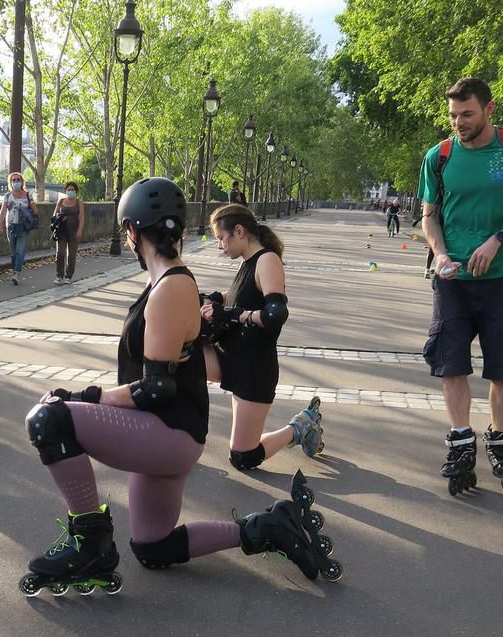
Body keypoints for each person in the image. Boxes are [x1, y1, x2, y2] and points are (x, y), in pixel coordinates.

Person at [19, 177, 341, 596]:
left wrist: (82, 397)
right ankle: (268, 528)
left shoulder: (171, 286)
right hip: (166, 433)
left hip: (166, 431)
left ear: (132, 231)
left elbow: (156, 389)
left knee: (49, 421)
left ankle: (90, 543)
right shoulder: (170, 283)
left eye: (126, 233)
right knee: (153, 547)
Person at [419, 77, 503, 494]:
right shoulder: (438, 156)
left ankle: (499, 434)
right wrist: (439, 254)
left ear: (489, 109)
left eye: (468, 114)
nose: (459, 122)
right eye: (454, 115)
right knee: (450, 360)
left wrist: (498, 240)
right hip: (452, 279)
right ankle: (460, 438)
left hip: (502, 277)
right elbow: (429, 215)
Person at [200, 204, 323, 472]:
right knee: (180, 355)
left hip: (254, 369)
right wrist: (214, 299)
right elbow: (240, 297)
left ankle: (300, 426)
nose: (220, 246)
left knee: (243, 457)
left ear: (239, 231)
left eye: (221, 238)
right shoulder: (248, 263)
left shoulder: (267, 260)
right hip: (230, 355)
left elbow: (274, 314)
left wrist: (231, 313)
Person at [0, 172, 35, 285]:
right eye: (14, 180)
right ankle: (15, 271)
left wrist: (26, 211)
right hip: (11, 226)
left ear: (22, 182)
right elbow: (3, 211)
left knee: (20, 250)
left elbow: (35, 210)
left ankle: (17, 273)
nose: (16, 182)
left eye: (18, 180)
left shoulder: (27, 195)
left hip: (23, 227)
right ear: (11, 183)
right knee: (13, 252)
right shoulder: (8, 196)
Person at [51, 181, 85, 285]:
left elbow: (82, 217)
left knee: (71, 254)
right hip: (62, 230)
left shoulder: (79, 203)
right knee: (60, 253)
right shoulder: (61, 201)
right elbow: (54, 214)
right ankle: (59, 275)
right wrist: (60, 217)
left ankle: (68, 276)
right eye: (68, 190)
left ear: (76, 191)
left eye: (72, 190)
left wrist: (80, 230)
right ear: (65, 191)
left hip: (73, 231)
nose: (70, 191)